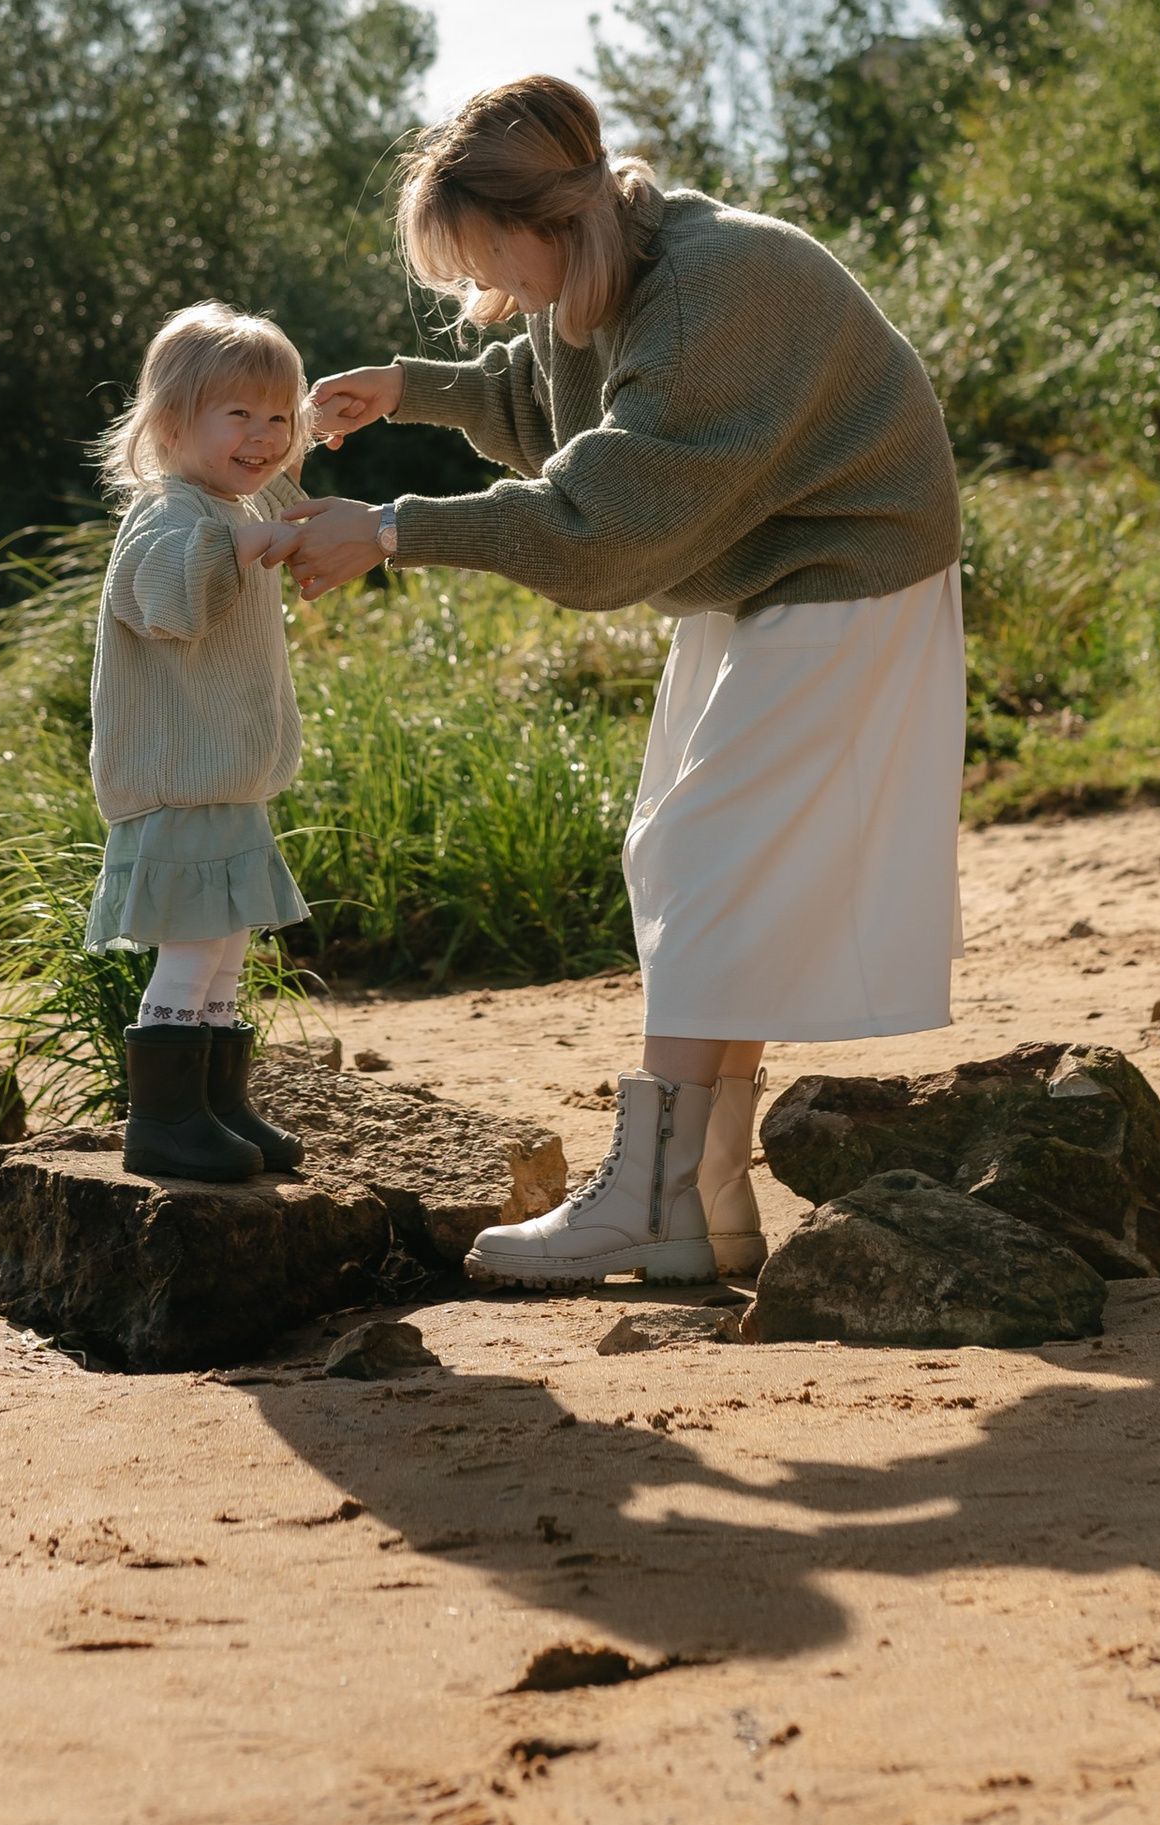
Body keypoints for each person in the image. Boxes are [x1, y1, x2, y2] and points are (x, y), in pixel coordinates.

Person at [295, 75, 963, 1285]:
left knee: (699, 852)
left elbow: (596, 519)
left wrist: (389, 528)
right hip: (760, 572)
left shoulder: (719, 282)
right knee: (696, 849)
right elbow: (550, 410)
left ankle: (651, 1194)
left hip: (851, 560)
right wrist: (406, 389)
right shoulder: (614, 266)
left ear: (542, 221)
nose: (480, 293)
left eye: (480, 257)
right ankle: (705, 1199)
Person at [86, 303, 314, 1185]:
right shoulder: (168, 516)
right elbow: (170, 601)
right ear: (174, 423)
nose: (263, 436)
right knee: (190, 944)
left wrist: (280, 518)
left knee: (226, 944)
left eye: (278, 418)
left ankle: (219, 1101)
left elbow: (281, 511)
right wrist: (244, 540)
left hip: (228, 783)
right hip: (178, 786)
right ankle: (165, 1118)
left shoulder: (230, 502)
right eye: (239, 415)